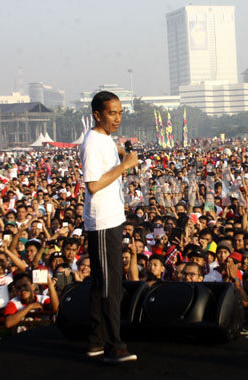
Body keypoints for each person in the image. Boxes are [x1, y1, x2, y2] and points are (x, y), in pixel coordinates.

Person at [81, 91, 138, 363]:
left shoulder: (104, 139)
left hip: (111, 219)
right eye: (111, 113)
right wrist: (125, 166)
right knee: (109, 286)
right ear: (97, 115)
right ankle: (114, 345)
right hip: (102, 221)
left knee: (102, 283)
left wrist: (121, 154)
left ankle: (95, 342)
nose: (117, 118)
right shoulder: (92, 142)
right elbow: (92, 185)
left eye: (120, 112)